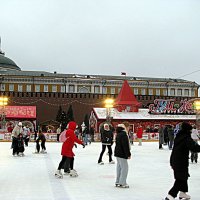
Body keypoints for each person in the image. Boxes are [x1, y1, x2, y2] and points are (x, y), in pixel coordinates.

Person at [165, 122, 200, 200]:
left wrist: (171, 161)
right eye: (190, 130)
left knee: (184, 176)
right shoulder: (186, 137)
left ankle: (183, 193)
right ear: (188, 130)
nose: (191, 131)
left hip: (175, 160)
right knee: (180, 179)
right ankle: (170, 195)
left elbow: (174, 149)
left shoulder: (179, 136)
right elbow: (194, 147)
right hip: (180, 162)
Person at [114, 124, 131, 188]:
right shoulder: (124, 134)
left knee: (119, 167)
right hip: (122, 154)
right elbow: (125, 145)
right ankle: (123, 182)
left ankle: (118, 181)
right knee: (124, 168)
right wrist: (128, 154)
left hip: (118, 153)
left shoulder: (118, 133)